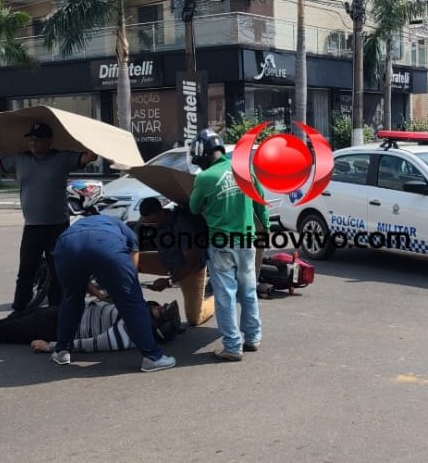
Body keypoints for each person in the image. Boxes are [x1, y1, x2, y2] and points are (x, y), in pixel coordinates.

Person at [0, 122, 98, 315]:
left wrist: (82, 134)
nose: (33, 143)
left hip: (58, 226)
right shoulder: (19, 159)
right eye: (31, 139)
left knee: (58, 272)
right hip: (32, 227)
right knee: (26, 272)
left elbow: (91, 156)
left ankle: (56, 311)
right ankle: (19, 310)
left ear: (49, 142)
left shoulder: (62, 158)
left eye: (38, 139)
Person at [51, 214, 176, 372]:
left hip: (65, 244)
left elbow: (80, 278)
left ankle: (62, 351)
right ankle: (153, 357)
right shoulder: (124, 229)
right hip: (105, 243)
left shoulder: (82, 224)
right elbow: (133, 263)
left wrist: (98, 293)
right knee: (132, 302)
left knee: (71, 300)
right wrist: (126, 289)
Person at [188, 129, 269, 362]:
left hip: (222, 243)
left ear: (202, 154)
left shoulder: (205, 178)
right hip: (247, 239)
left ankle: (233, 347)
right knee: (249, 290)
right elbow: (260, 206)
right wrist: (264, 230)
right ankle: (253, 338)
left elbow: (193, 208)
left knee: (225, 294)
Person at [0, 298, 181, 352]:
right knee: (12, 322)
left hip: (60, 328)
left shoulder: (131, 333)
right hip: (69, 313)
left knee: (6, 331)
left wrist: (52, 346)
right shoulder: (135, 316)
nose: (157, 306)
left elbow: (95, 344)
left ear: (156, 322)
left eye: (161, 310)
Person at [138, 198, 215, 326]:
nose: (152, 226)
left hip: (190, 269)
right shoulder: (148, 222)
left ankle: (216, 297)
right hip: (167, 260)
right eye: (147, 224)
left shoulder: (182, 226)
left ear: (162, 212)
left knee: (195, 318)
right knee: (129, 260)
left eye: (154, 221)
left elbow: (193, 262)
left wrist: (168, 282)